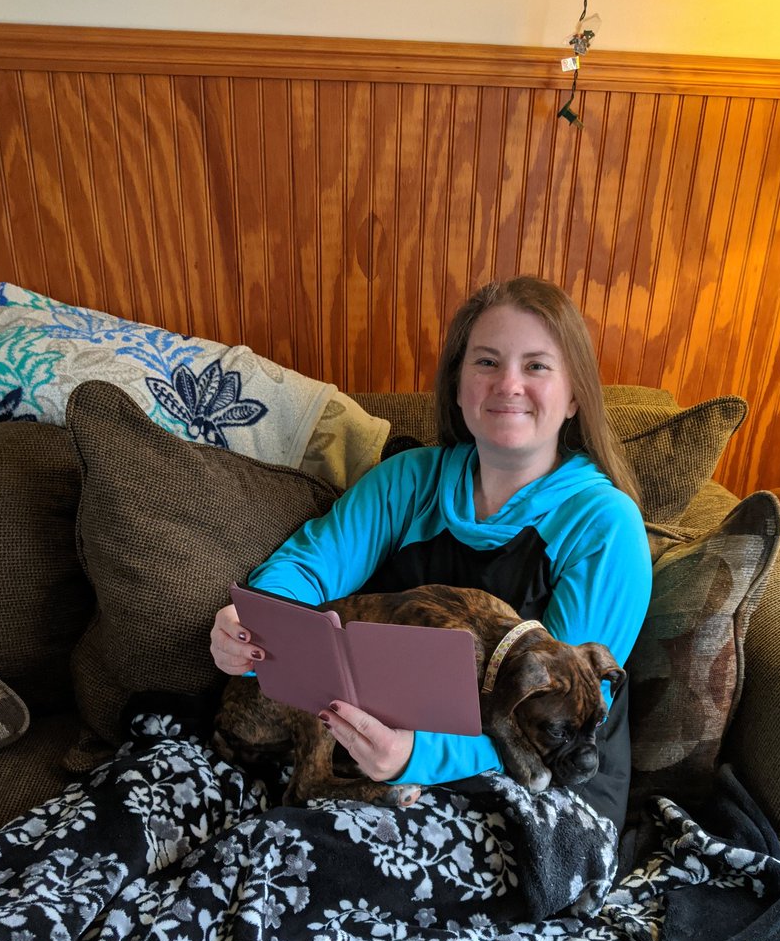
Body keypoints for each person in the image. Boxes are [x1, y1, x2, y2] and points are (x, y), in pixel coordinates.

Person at [210, 275, 652, 829]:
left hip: (543, 787)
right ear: (458, 384)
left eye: (536, 365)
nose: (508, 384)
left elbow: (558, 721)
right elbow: (307, 568)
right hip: (373, 758)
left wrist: (413, 755)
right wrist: (251, 626)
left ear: (575, 396)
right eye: (486, 362)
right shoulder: (409, 482)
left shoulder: (604, 525)